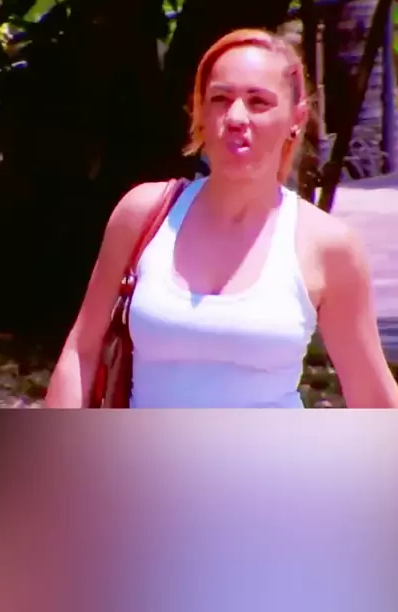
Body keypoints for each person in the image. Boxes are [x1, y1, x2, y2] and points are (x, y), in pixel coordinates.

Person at [45, 28, 398, 409]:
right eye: (220, 99)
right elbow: (80, 353)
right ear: (199, 111)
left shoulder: (328, 245)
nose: (236, 117)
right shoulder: (144, 213)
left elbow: (372, 396)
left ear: (296, 118)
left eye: (258, 102)